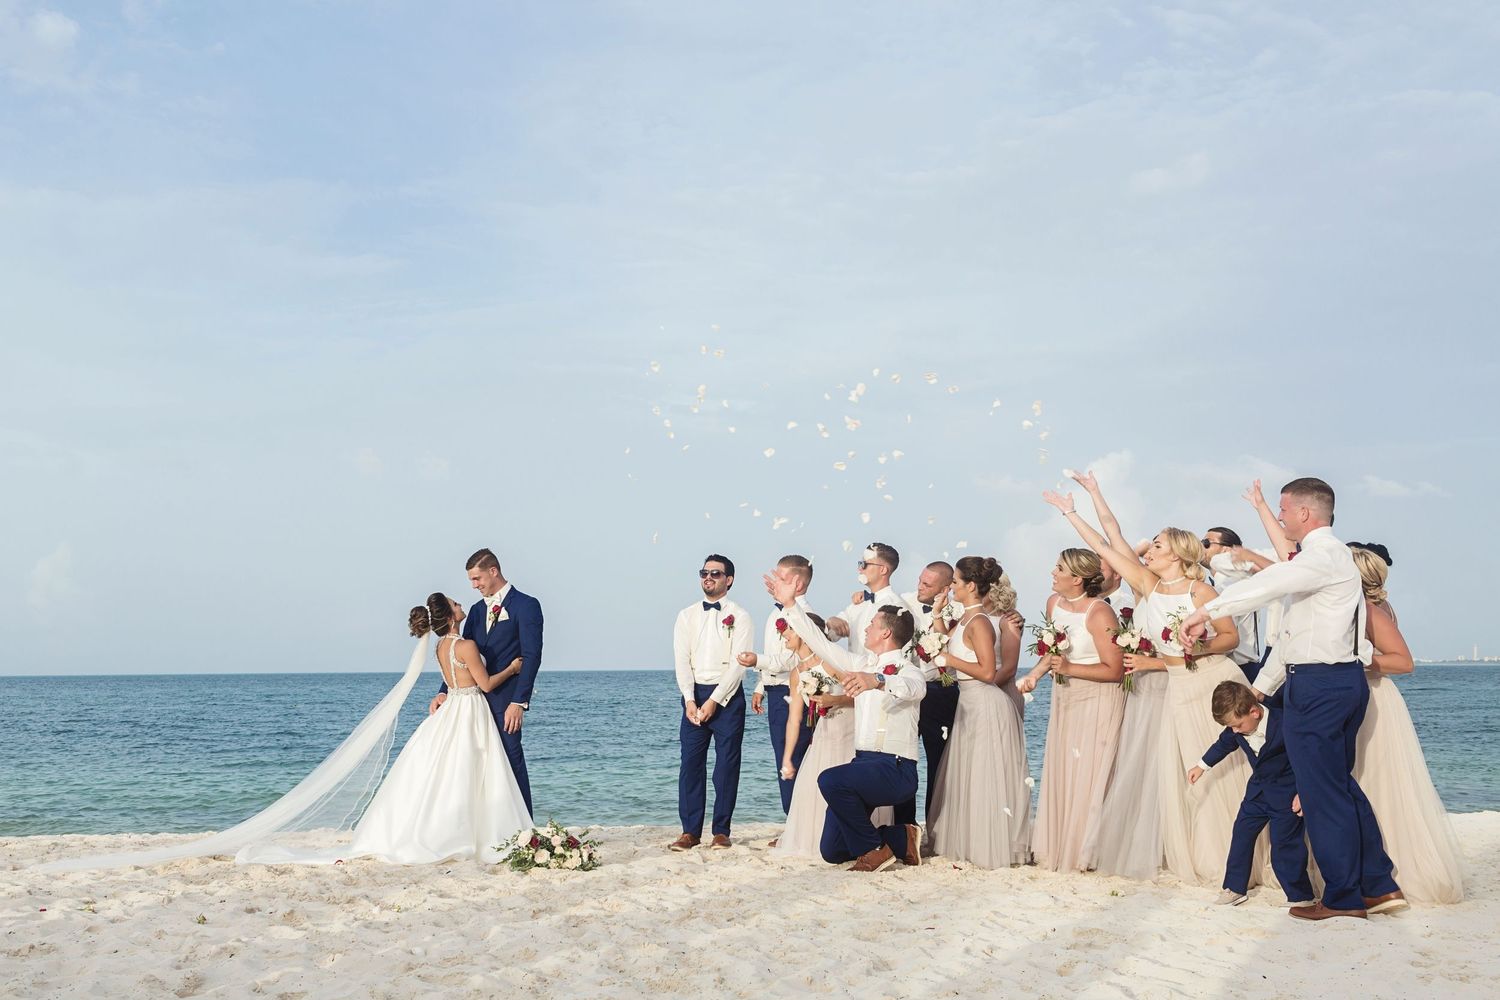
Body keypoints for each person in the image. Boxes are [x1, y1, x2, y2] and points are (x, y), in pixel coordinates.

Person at [1180, 477, 1403, 920]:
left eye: (1283, 510)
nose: (1280, 518)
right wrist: (1261, 687)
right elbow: (1292, 637)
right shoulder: (1325, 562)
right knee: (1337, 785)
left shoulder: (1322, 556)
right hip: (1334, 681)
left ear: (1304, 513)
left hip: (1319, 687)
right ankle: (1378, 885)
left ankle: (1343, 898)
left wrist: (1207, 610)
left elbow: (1272, 582)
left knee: (1322, 794)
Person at [1044, 488, 1251, 887]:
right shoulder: (1148, 586)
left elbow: (1230, 637)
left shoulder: (1201, 591)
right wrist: (1070, 512)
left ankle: (1233, 851)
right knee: (1184, 770)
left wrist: (1194, 646)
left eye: (1157, 545)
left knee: (1220, 767)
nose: (1149, 550)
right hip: (1177, 685)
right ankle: (1194, 849)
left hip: (1210, 680)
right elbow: (1104, 545)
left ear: (1176, 554)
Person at [767, 570, 925, 873]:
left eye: (873, 624)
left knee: (829, 779)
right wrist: (790, 605)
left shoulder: (909, 671)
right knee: (832, 851)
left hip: (896, 768)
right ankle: (901, 837)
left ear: (886, 634)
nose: (866, 627)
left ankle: (876, 851)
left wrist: (878, 681)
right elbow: (820, 643)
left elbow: (914, 689)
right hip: (863, 763)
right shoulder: (859, 663)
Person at [1347, 543, 1464, 904]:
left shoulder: (1372, 611)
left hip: (1373, 700)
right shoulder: (1356, 607)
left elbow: (1403, 662)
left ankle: (1388, 873)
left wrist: (1354, 662)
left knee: (1377, 782)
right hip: (1357, 696)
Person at [1018, 549, 1126, 873]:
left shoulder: (1100, 613)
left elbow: (1115, 670)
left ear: (1077, 578)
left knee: (1091, 772)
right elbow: (1053, 654)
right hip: (1065, 697)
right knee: (1066, 768)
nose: (1053, 572)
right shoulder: (1054, 603)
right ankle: (1062, 844)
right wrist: (1034, 675)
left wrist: (1069, 668)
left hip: (1099, 698)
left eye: (1060, 568)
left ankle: (1089, 852)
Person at [925, 557, 1032, 868]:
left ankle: (992, 845)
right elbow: (947, 645)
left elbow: (987, 671)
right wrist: (937, 615)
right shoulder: (967, 619)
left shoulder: (981, 622)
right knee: (970, 774)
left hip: (986, 703)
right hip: (968, 703)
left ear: (971, 586)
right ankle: (973, 841)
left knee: (986, 775)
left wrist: (950, 661)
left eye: (956, 582)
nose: (952, 586)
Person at [430, 548, 544, 816]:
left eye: (477, 578)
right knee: (476, 764)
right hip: (472, 704)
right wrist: (444, 690)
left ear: (493, 571)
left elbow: (532, 656)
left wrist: (519, 702)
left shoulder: (526, 605)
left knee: (511, 757)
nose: (474, 585)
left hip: (505, 700)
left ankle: (525, 827)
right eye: (471, 580)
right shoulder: (476, 611)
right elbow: (462, 655)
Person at [770, 612, 893, 859]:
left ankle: (863, 838)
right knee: (813, 786)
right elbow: (794, 719)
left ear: (805, 633)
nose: (783, 635)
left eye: (789, 630)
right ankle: (819, 838)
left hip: (848, 729)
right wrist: (787, 758)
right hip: (824, 733)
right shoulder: (796, 674)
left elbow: (861, 695)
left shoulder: (829, 663)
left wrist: (834, 700)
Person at [1189, 681, 1314, 908]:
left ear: (1254, 712)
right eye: (1231, 727)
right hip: (1257, 793)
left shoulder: (1285, 723)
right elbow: (1222, 745)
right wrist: (1201, 766)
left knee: (1284, 845)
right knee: (1241, 834)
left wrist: (1304, 792)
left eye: (1237, 725)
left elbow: (1306, 759)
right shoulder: (1236, 728)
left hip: (1287, 795)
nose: (1235, 731)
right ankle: (1235, 888)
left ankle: (1301, 896)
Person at [670, 554, 753, 851]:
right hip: (694, 695)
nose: (708, 577)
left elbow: (739, 664)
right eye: (704, 572)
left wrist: (715, 700)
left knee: (727, 766)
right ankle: (690, 832)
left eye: (715, 573)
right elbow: (682, 660)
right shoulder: (686, 615)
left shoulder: (740, 616)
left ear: (728, 580)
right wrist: (689, 700)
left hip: (727, 697)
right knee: (690, 764)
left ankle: (721, 830)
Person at [740, 554, 817, 816]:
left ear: (798, 584)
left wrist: (756, 660)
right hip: (775, 691)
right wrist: (761, 685)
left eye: (781, 578)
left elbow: (792, 659)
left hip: (792, 694)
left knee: (791, 759)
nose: (774, 583)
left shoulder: (804, 615)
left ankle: (797, 822)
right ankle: (794, 820)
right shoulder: (776, 612)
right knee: (782, 758)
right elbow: (776, 652)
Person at [897, 560, 957, 828]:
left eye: (927, 584)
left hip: (940, 690)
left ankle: (937, 826)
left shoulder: (958, 612)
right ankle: (904, 827)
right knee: (903, 758)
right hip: (908, 690)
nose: (919, 587)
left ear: (945, 589)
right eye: (920, 581)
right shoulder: (903, 602)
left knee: (940, 762)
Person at [1201, 527, 1266, 682]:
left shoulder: (1230, 584)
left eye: (1206, 543)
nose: (1201, 547)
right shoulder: (1228, 582)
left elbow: (1224, 634)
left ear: (1226, 550)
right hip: (1241, 667)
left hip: (1238, 671)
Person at [826, 542, 906, 656]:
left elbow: (902, 653)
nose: (860, 569)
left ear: (883, 570)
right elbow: (831, 634)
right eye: (860, 563)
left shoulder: (897, 607)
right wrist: (831, 621)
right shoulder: (858, 603)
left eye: (864, 564)